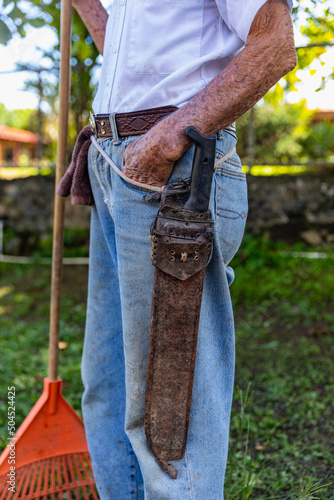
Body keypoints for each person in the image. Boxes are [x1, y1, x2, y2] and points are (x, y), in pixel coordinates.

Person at [70, 0, 296, 498]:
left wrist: (167, 139)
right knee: (108, 388)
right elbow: (132, 67)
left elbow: (275, 44)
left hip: (169, 172)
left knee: (172, 417)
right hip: (117, 164)